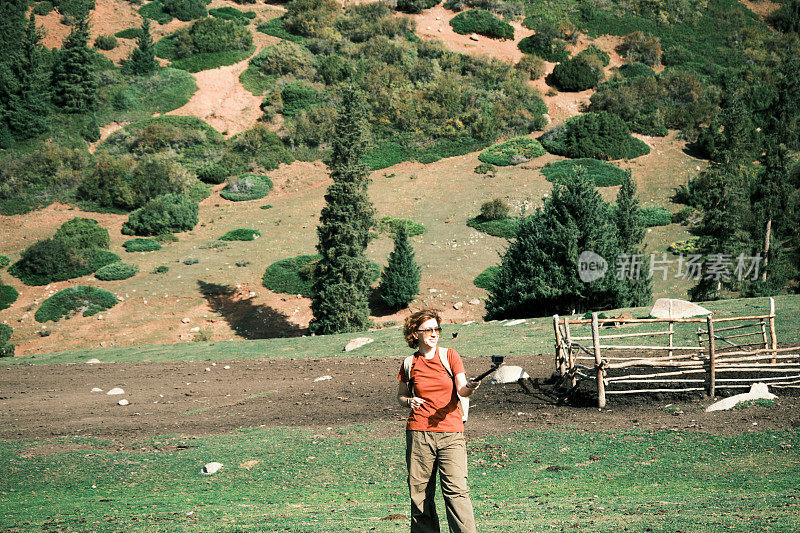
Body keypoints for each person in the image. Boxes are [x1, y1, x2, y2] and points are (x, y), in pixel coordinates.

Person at [397, 309, 480, 533]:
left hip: (451, 432)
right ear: (415, 333)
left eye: (437, 329)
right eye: (429, 329)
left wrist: (471, 387)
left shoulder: (450, 356)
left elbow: (462, 390)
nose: (434, 334)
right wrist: (408, 402)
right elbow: (401, 396)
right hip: (419, 433)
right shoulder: (408, 363)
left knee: (456, 492)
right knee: (420, 494)